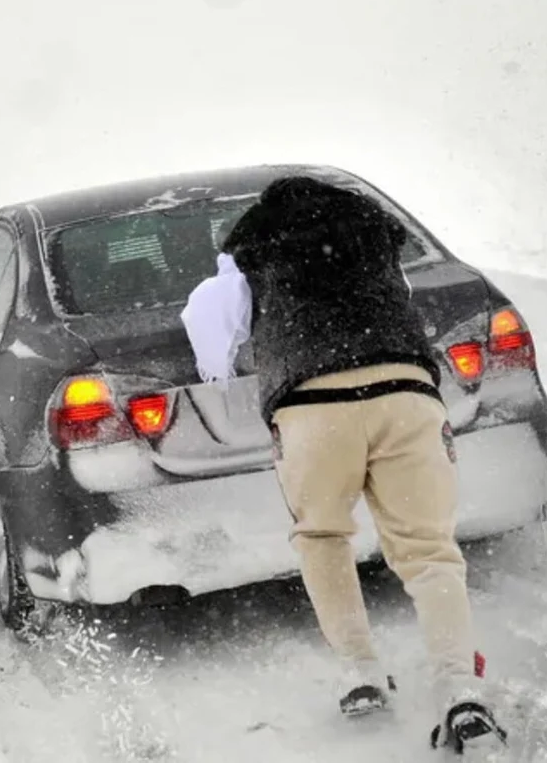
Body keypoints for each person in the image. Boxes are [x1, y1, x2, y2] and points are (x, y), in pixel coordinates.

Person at [181, 175, 505, 754]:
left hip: (312, 409)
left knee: (323, 536)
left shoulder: (252, 252)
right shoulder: (375, 241)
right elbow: (399, 301)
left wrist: (228, 363)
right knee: (430, 552)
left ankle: (360, 671)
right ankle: (460, 688)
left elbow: (209, 330)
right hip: (405, 392)